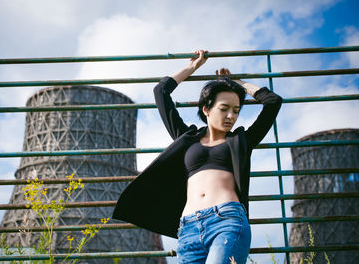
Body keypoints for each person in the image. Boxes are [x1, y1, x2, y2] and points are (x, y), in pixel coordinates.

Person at [113, 50, 282, 263]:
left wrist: (236, 83)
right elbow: (161, 91)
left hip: (227, 221)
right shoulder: (186, 137)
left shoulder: (242, 141)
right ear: (206, 109)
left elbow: (273, 101)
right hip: (188, 228)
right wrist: (192, 67)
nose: (231, 116)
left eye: (236, 110)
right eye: (224, 108)